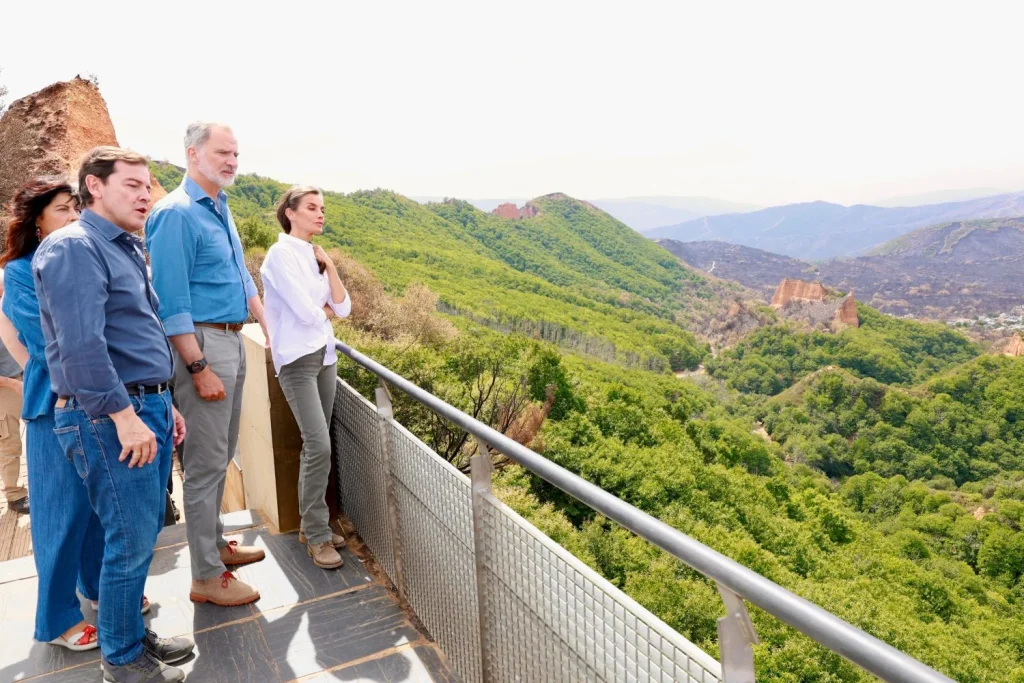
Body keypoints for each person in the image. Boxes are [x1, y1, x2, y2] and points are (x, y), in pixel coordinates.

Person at [33, 148, 194, 682]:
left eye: (149, 185)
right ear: (93, 187)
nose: (146, 194)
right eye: (131, 184)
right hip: (107, 414)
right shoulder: (75, 248)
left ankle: (127, 638)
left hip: (137, 403)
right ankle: (124, 663)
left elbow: (134, 335)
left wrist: (161, 403)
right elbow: (82, 347)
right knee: (130, 541)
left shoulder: (123, 246)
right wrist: (126, 416)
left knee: (123, 535)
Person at [146, 122, 266, 606]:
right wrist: (197, 367)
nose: (232, 161)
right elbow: (170, 301)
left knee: (220, 455)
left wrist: (264, 325)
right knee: (203, 464)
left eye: (236, 153)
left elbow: (240, 277)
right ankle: (205, 577)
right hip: (202, 346)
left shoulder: (218, 207)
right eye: (222, 152)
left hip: (231, 339)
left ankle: (214, 546)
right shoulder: (175, 214)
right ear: (193, 154)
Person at [0, 177, 106, 651]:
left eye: (76, 209)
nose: (74, 218)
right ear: (37, 221)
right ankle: (57, 619)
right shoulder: (20, 271)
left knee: (95, 510)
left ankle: (99, 588)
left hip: (97, 400)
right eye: (63, 209)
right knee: (59, 514)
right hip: (52, 404)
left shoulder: (83, 263)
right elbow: (44, 344)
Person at [260, 186, 350, 569]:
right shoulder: (279, 255)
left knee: (320, 442)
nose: (320, 214)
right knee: (318, 445)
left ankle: (313, 525)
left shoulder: (313, 255)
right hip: (297, 360)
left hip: (325, 356)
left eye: (323, 208)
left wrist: (329, 264)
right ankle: (315, 533)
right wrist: (323, 309)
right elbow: (303, 311)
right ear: (290, 212)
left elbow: (343, 307)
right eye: (312, 207)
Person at [0, 269, 28, 516]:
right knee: (9, 441)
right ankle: (14, 495)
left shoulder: (9, 309)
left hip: (23, 377)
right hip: (5, 387)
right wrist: (11, 384)